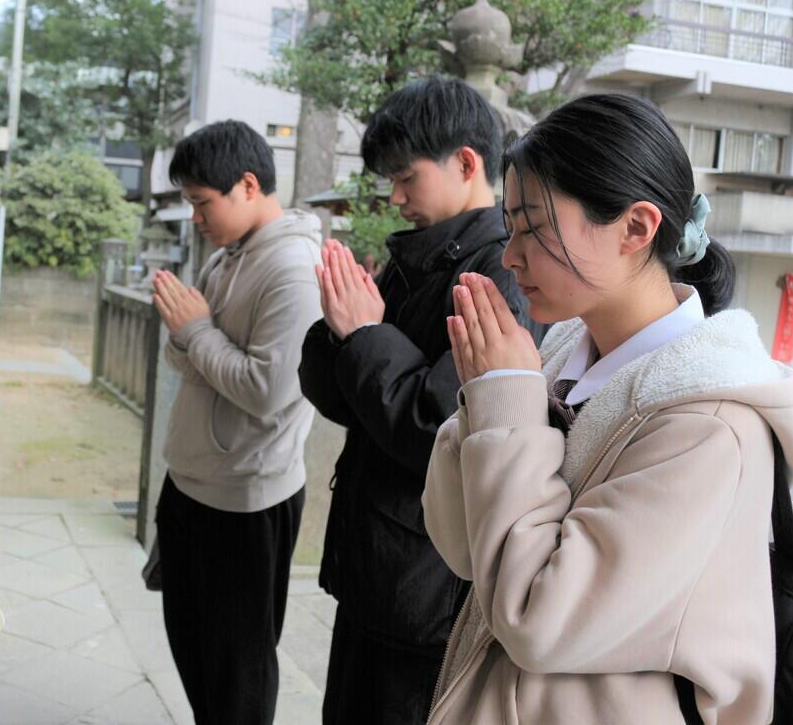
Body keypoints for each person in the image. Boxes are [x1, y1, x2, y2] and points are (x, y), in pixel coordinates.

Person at [421, 93, 793, 724]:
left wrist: (505, 409)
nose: (510, 254)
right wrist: (487, 398)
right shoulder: (557, 359)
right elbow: (461, 548)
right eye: (510, 227)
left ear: (636, 227)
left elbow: (539, 621)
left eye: (534, 228)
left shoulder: (710, 425)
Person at [298, 76, 545, 725]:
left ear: (467, 163)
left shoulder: (498, 275)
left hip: (426, 588)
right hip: (375, 572)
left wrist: (366, 334)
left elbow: (438, 426)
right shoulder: (418, 258)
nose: (396, 197)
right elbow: (345, 398)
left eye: (407, 179)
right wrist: (338, 329)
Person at [150, 119, 322, 725]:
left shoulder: (294, 267)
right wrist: (193, 337)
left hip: (246, 499)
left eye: (201, 202)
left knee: (238, 673)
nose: (195, 218)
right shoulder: (226, 259)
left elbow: (269, 390)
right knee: (194, 653)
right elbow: (180, 352)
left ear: (248, 185)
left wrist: (197, 333)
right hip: (191, 483)